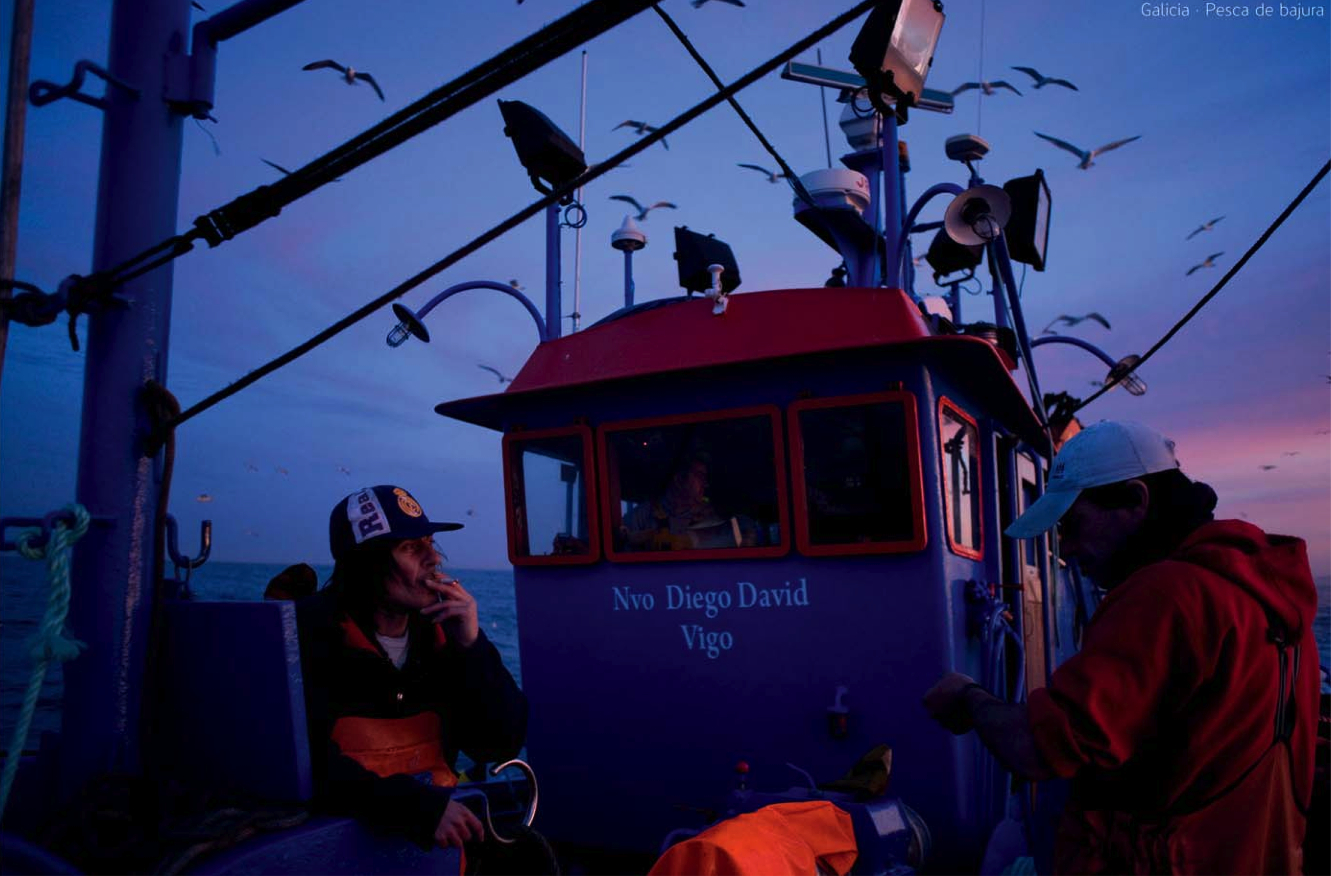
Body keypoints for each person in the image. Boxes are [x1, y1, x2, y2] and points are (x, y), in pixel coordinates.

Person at [922, 420, 1320, 874]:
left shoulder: (1166, 595)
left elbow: (1039, 747)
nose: (1067, 550)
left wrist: (968, 698)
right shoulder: (1270, 598)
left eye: (1072, 526)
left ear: (1135, 500)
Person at [297, 484, 527, 852]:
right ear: (365, 563)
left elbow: (499, 743)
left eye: (431, 544)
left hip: (434, 858)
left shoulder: (441, 639)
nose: (433, 559)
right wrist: (417, 808)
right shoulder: (308, 638)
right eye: (411, 547)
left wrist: (472, 646)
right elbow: (305, 767)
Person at [621, 453, 748, 551]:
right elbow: (620, 542)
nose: (705, 483)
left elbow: (737, 536)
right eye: (700, 476)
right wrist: (635, 538)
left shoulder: (712, 515)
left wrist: (687, 540)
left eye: (705, 477)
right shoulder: (644, 515)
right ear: (679, 479)